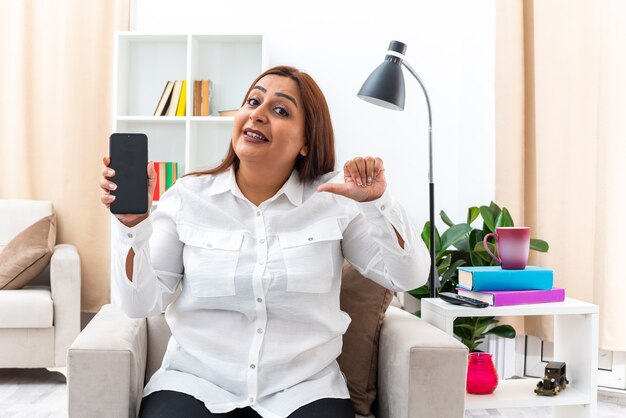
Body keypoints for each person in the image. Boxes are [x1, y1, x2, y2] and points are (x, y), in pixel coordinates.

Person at [100, 65, 430, 418]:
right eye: (253, 101)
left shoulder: (333, 202)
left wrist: (377, 204)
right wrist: (132, 227)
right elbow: (140, 304)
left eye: (280, 110)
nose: (257, 114)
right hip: (196, 384)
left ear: (306, 142)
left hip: (306, 390)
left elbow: (409, 278)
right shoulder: (186, 197)